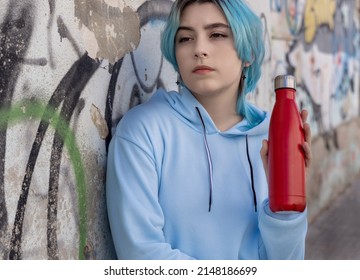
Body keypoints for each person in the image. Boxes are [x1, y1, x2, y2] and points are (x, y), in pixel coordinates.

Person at [106, 0, 312, 260]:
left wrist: (286, 207)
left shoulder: (271, 139)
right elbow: (143, 255)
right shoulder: (143, 133)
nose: (199, 49)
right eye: (185, 38)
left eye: (216, 34)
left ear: (247, 53)